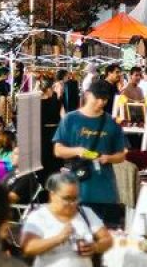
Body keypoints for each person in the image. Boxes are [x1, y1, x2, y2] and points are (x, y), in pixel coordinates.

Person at [53, 79, 127, 207]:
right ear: (87, 94)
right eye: (97, 98)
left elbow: (121, 155)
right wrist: (77, 151)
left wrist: (108, 158)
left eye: (104, 99)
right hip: (76, 189)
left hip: (105, 191)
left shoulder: (112, 122)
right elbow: (58, 150)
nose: (101, 102)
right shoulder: (70, 119)